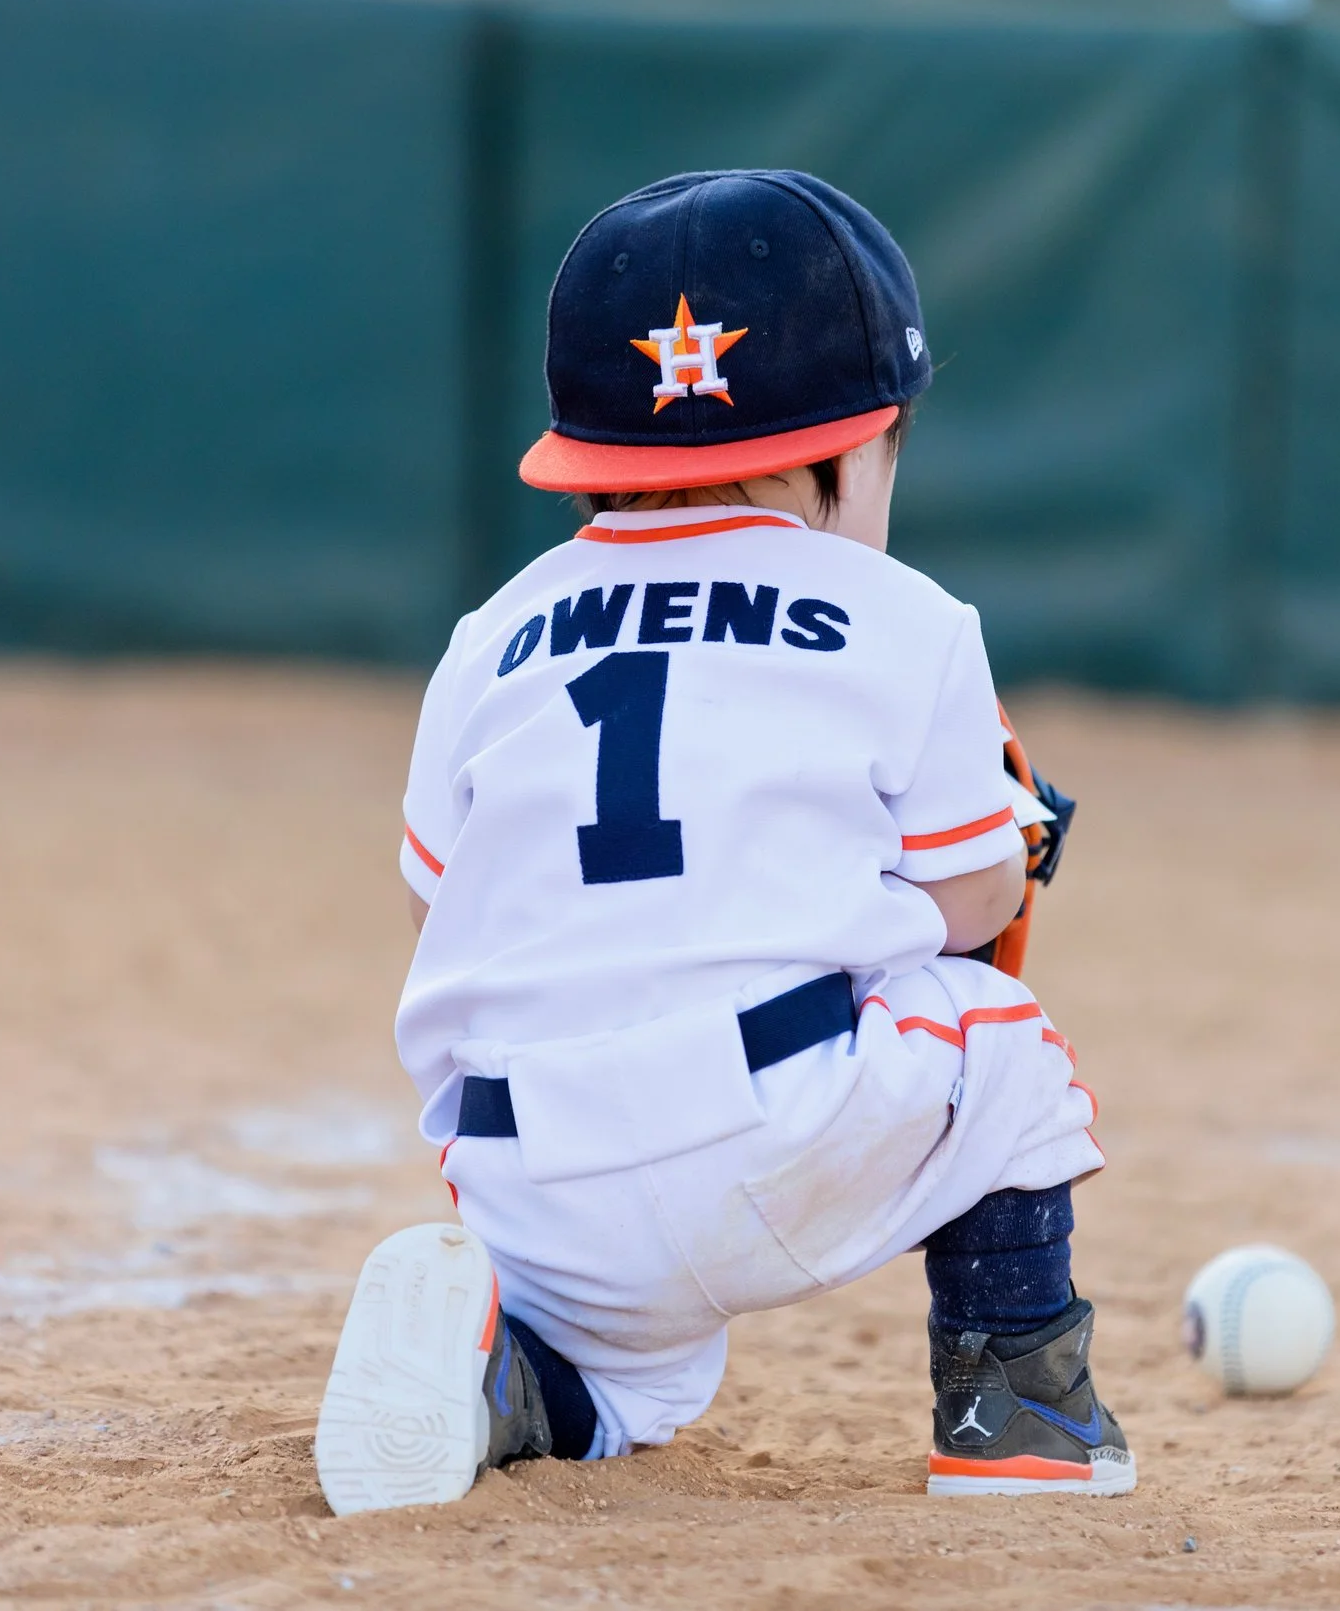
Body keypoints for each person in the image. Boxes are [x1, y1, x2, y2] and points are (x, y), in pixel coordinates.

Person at [313, 170, 1126, 1513]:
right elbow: (977, 896)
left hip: (524, 1163)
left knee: (631, 1373)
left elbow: (438, 913)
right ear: (845, 450)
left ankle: (508, 1377)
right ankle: (1016, 1411)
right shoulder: (908, 619)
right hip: (769, 1116)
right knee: (1000, 1038)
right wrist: (1009, 852)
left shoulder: (488, 638)